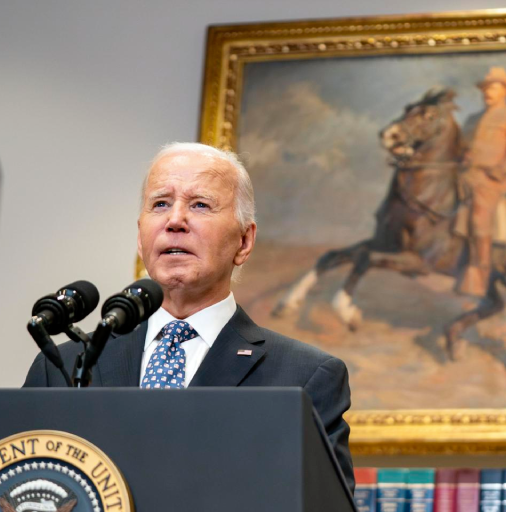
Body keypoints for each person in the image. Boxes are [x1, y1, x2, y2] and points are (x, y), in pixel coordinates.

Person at [23, 142, 355, 488]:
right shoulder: (62, 367)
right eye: (160, 204)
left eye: (200, 205)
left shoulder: (303, 377)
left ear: (244, 242)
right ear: (140, 238)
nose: (175, 220)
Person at [453, 67, 506, 296]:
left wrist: (503, 168)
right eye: (485, 88)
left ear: (505, 91)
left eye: (493, 87)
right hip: (463, 176)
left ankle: (479, 277)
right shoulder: (472, 119)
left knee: (480, 220)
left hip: (488, 180)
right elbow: (461, 147)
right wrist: (463, 156)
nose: (487, 91)